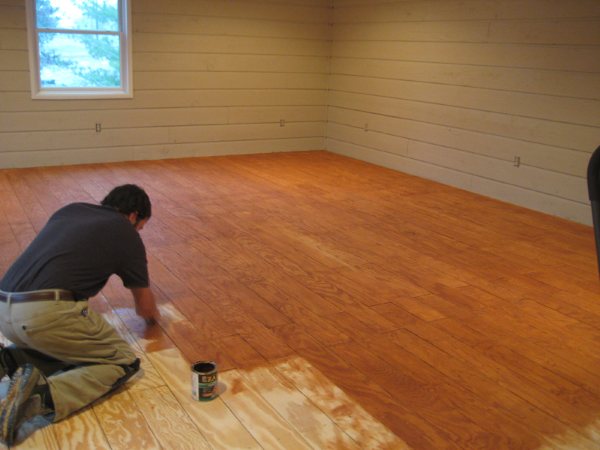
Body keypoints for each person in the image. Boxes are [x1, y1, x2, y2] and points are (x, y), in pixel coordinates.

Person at [0, 184, 160, 445]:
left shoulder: (71, 210)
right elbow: (144, 307)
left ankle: (9, 359)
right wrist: (154, 319)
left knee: (75, 347)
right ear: (134, 216)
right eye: (141, 226)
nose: (139, 231)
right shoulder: (126, 234)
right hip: (43, 314)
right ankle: (39, 397)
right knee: (121, 362)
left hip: (4, 306)